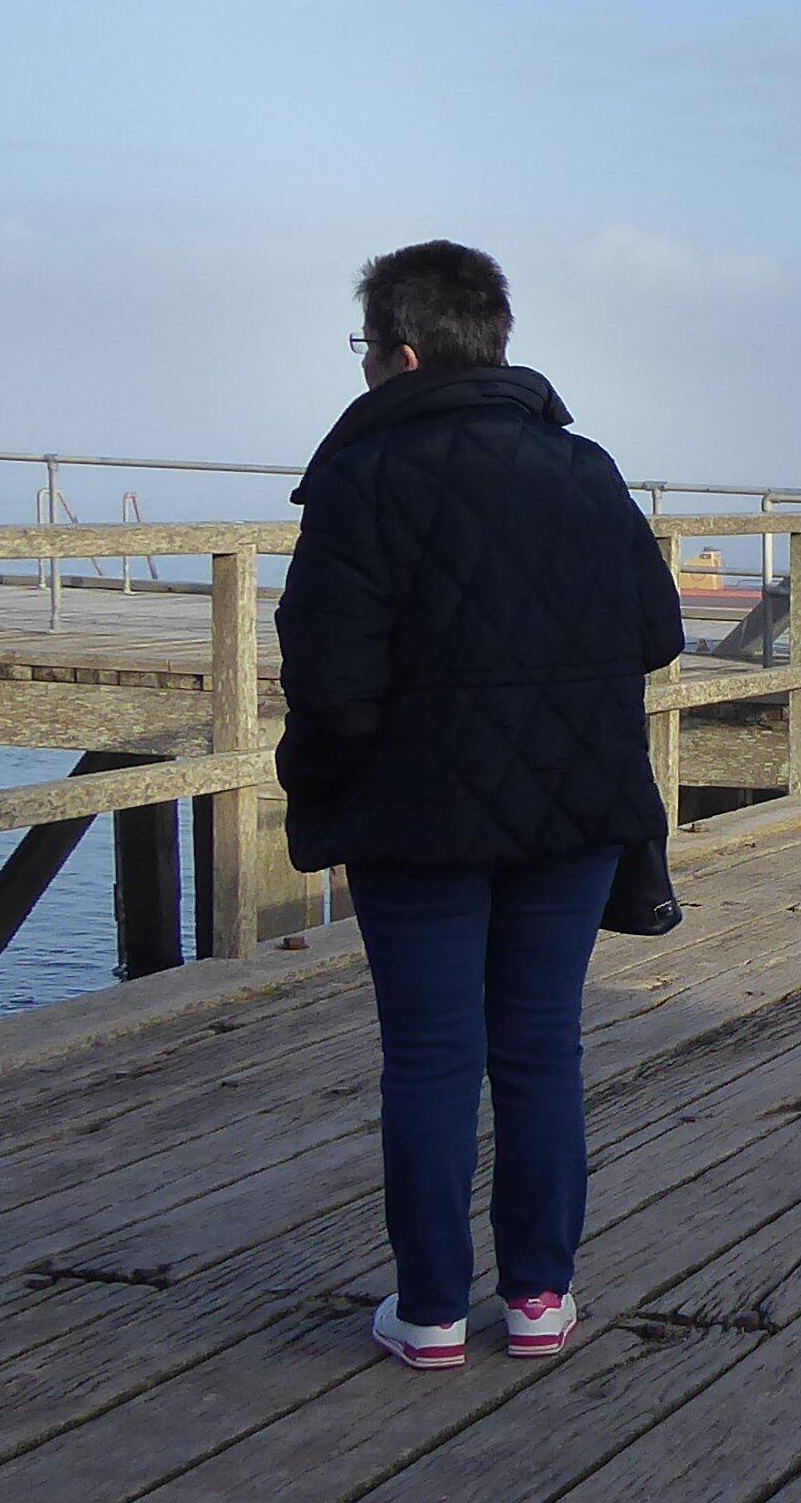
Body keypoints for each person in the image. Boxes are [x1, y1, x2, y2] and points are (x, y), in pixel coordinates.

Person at [277, 241, 683, 1370]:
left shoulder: (363, 478)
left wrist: (325, 788)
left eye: (364, 347)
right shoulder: (584, 468)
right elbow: (656, 633)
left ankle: (433, 1312)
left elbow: (329, 681)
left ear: (399, 354)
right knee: (542, 1049)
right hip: (577, 810)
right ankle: (543, 1298)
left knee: (432, 1059)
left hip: (416, 820)